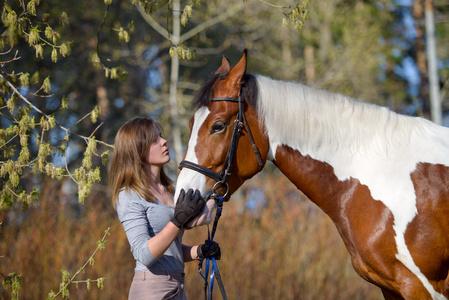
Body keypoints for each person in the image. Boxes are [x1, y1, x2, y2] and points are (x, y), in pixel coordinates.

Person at [109, 117, 220, 300]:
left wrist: (199, 251)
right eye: (155, 140)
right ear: (138, 149)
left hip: (177, 286)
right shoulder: (129, 194)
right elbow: (145, 254)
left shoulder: (171, 192)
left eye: (161, 136)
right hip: (151, 290)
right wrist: (177, 222)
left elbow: (170, 249)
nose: (163, 141)